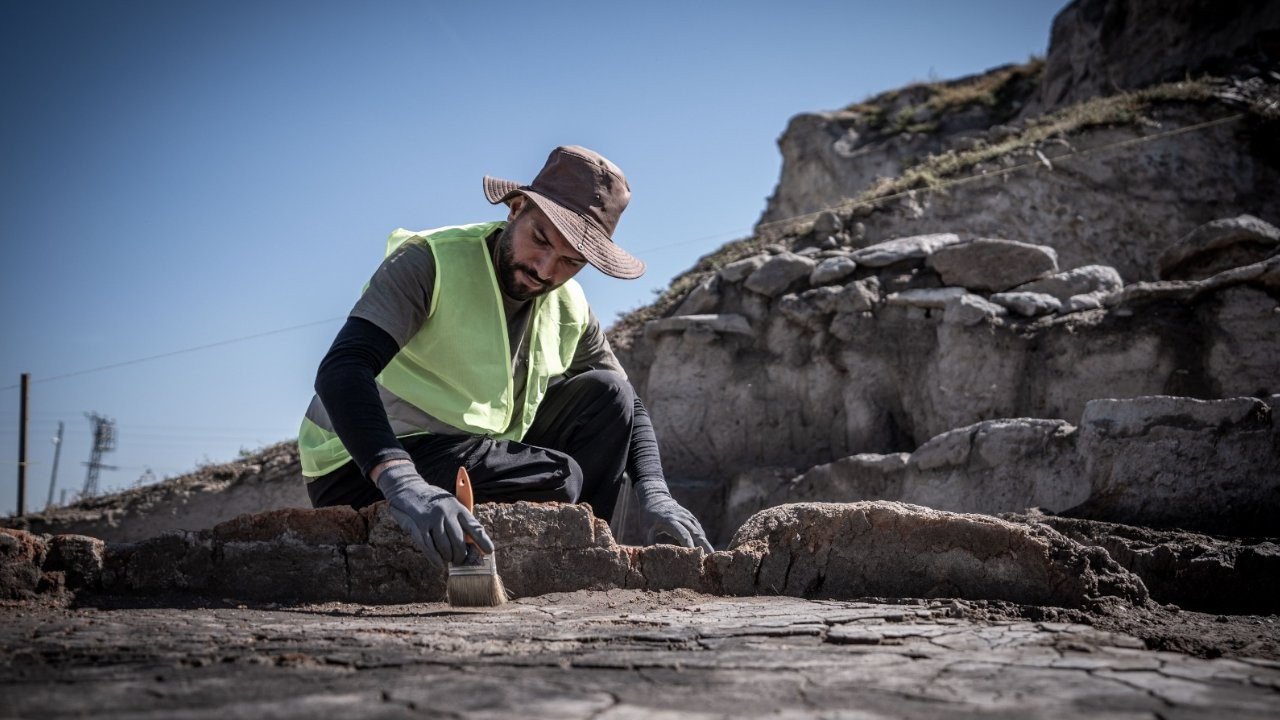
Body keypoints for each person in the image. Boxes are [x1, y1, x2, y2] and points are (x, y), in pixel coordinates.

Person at [297, 145, 713, 567]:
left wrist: (655, 493)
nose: (546, 270)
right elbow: (342, 370)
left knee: (609, 394)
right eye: (540, 240)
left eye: (571, 261)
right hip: (360, 465)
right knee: (558, 478)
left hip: (467, 453)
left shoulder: (568, 305)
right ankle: (543, 558)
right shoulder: (430, 261)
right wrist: (403, 483)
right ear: (516, 208)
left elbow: (630, 405)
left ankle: (585, 564)